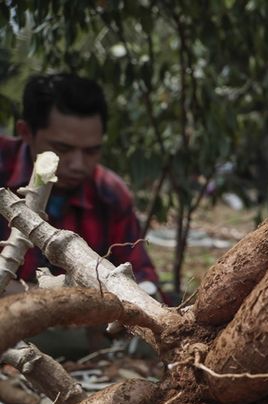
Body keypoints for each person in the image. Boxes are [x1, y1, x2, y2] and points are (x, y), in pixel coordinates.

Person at [1, 73, 163, 297]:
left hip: (82, 324)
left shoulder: (110, 194)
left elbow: (141, 274)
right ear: (26, 132)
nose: (78, 165)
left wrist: (143, 294)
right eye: (62, 148)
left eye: (91, 151)